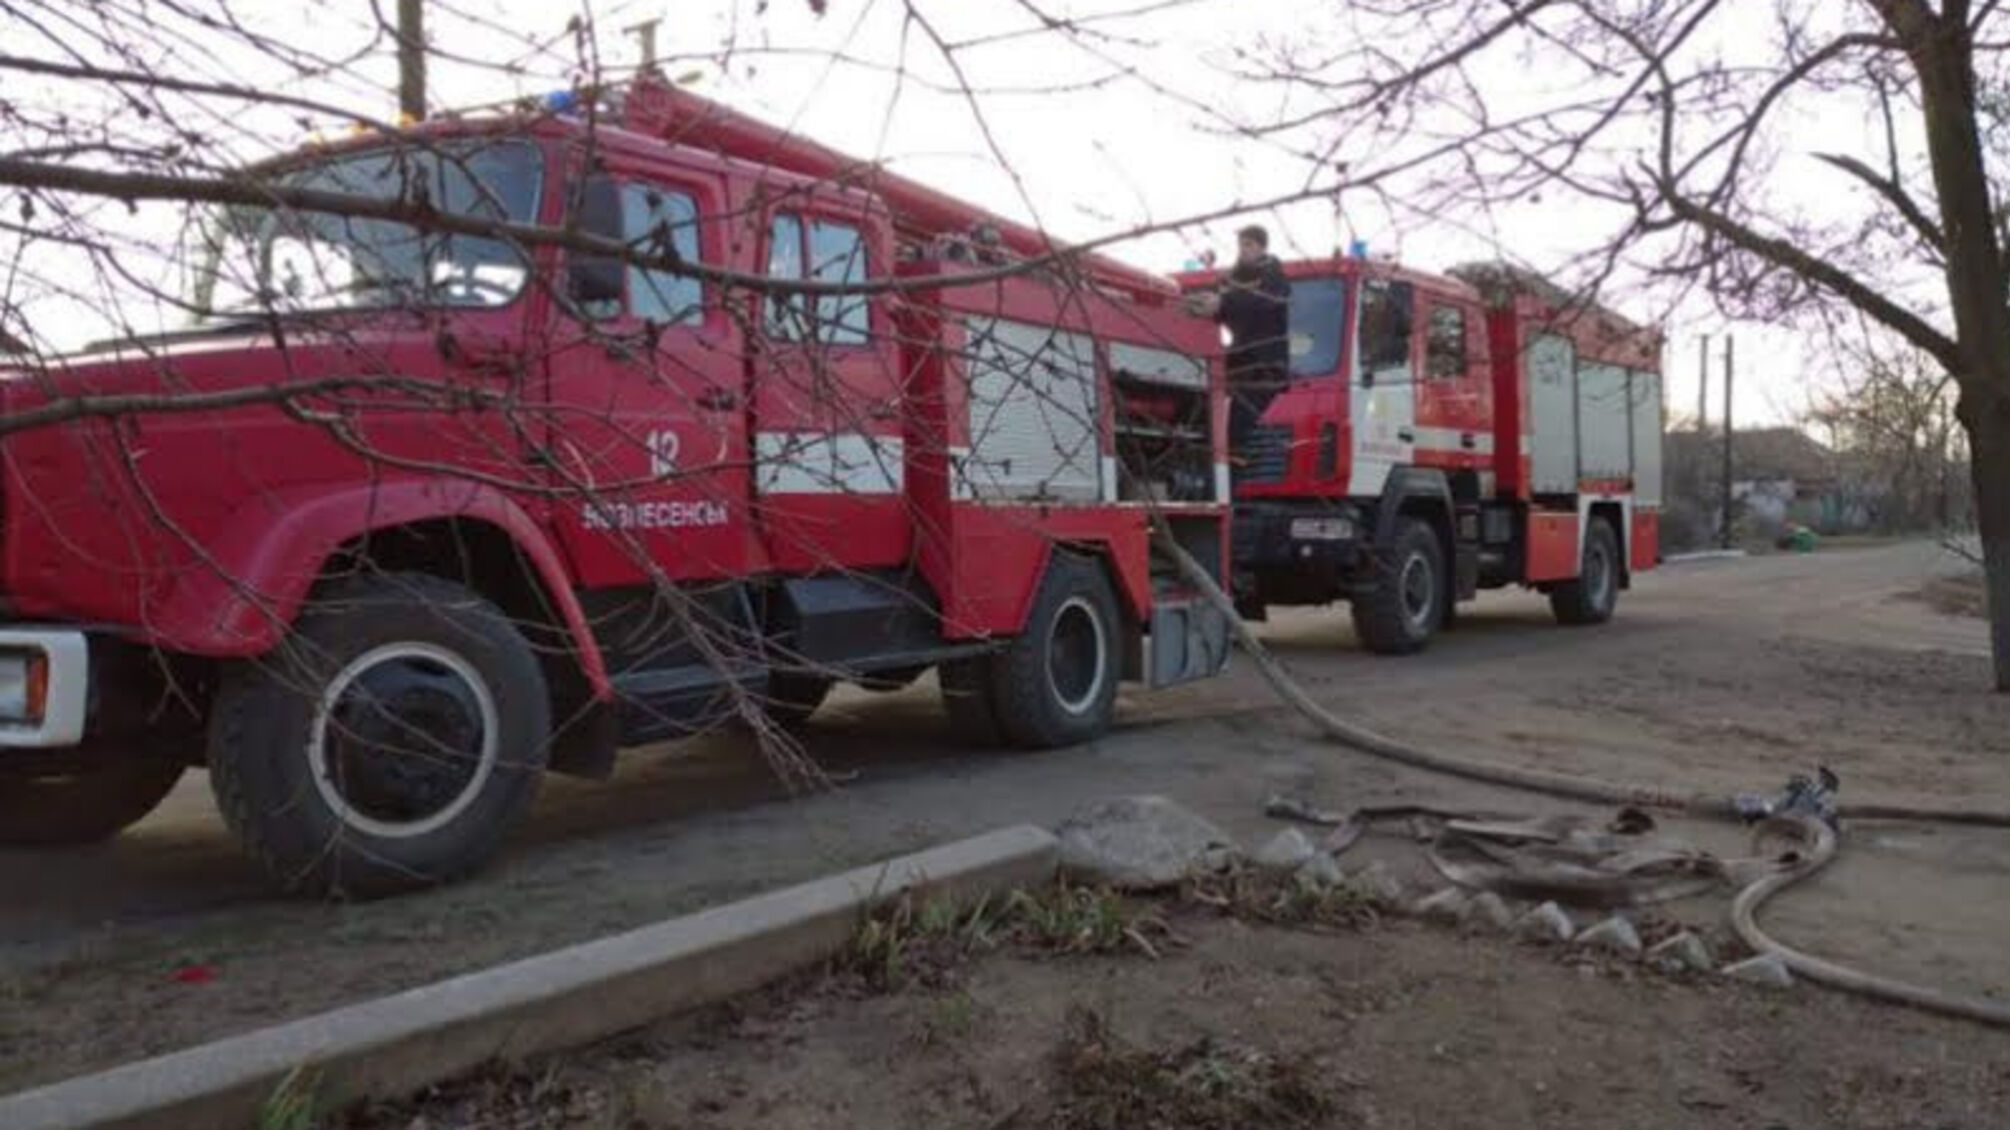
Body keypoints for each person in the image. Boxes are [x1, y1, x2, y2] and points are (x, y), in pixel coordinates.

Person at [1188, 224, 1292, 449]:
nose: (1243, 250)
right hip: (1237, 368)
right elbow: (1219, 304)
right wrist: (1200, 303)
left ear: (1263, 248)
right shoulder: (1230, 279)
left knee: (1238, 431)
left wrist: (1223, 303)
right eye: (1241, 245)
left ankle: (1231, 477)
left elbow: (1261, 301)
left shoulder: (1274, 277)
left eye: (1249, 244)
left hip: (1265, 372)